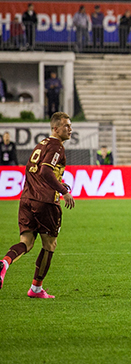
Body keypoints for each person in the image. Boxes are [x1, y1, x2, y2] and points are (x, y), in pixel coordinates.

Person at [0, 112, 75, 299]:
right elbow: (45, 171)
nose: (70, 129)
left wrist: (58, 183)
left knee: (26, 242)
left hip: (27, 198)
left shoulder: (41, 145)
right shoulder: (57, 147)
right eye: (66, 126)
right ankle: (36, 289)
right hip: (45, 202)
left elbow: (35, 170)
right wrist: (63, 191)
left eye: (70, 125)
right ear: (56, 128)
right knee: (50, 244)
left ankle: (4, 264)